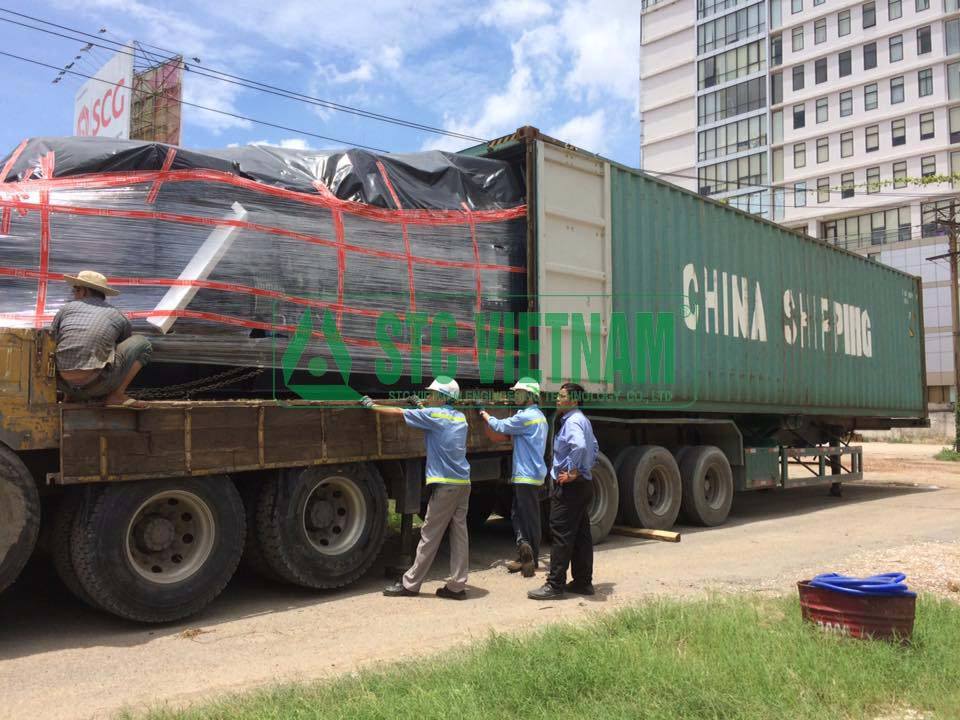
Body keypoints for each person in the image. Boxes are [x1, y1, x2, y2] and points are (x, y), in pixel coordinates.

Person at [361, 377, 472, 600]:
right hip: (463, 483)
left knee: (429, 534)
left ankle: (410, 584)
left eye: (432, 394)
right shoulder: (459, 417)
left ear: (442, 397)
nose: (428, 397)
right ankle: (457, 586)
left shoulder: (434, 416)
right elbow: (434, 418)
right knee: (459, 534)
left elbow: (399, 414)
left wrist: (372, 406)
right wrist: (420, 406)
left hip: (446, 485)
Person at [528, 382, 599, 600]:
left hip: (570, 487)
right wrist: (584, 470)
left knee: (560, 533)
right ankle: (582, 582)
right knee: (581, 535)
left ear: (574, 400)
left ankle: (554, 585)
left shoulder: (572, 422)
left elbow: (580, 446)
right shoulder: (582, 419)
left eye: (561, 396)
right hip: (583, 486)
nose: (557, 399)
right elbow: (594, 447)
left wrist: (573, 471)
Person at [50, 270, 153, 408]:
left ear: (84, 291)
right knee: (142, 343)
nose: (73, 294)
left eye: (76, 289)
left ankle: (70, 396)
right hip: (99, 385)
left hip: (62, 384)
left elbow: (51, 339)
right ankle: (116, 395)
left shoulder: (65, 309)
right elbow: (123, 349)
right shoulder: (118, 316)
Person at [479, 377, 547, 578]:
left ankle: (530, 556)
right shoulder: (538, 416)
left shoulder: (526, 417)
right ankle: (524, 554)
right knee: (519, 514)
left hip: (526, 475)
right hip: (531, 475)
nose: (515, 395)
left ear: (529, 396)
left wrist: (484, 414)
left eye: (518, 393)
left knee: (527, 517)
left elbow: (499, 427)